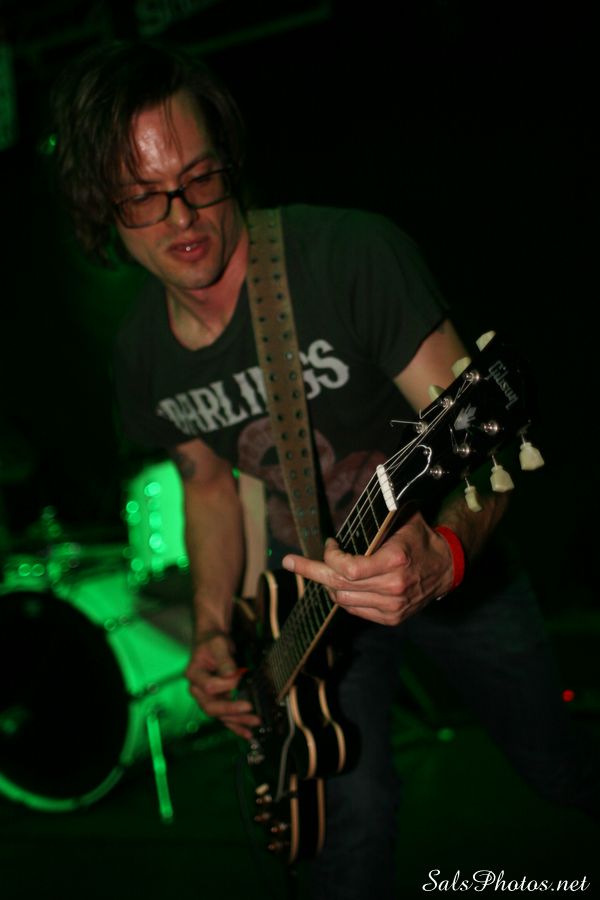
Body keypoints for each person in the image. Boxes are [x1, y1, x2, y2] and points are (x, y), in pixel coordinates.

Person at [50, 40, 598, 899]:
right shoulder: (140, 355)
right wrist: (211, 632)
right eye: (143, 196)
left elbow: (486, 443)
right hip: (305, 603)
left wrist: (446, 555)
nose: (182, 216)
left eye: (200, 178)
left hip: (449, 566)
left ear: (228, 162)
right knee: (347, 838)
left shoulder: (347, 256)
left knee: (558, 769)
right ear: (99, 208)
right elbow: (207, 486)